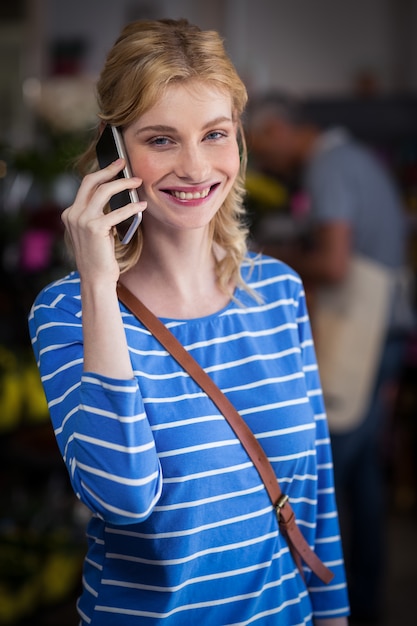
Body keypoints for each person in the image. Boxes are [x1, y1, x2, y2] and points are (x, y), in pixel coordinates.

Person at [28, 20, 349, 625]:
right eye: (162, 139)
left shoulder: (278, 290)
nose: (197, 166)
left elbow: (313, 497)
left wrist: (332, 616)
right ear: (113, 151)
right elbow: (122, 497)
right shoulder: (68, 311)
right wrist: (99, 284)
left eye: (214, 134)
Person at [247, 91, 414, 623]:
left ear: (277, 130)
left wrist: (267, 255)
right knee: (361, 478)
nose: (264, 161)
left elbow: (335, 263)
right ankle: (364, 602)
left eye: (258, 147)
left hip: (363, 337)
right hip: (385, 333)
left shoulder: (328, 167)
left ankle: (318, 605)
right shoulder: (357, 157)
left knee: (322, 477)